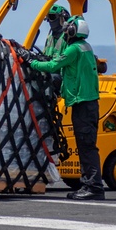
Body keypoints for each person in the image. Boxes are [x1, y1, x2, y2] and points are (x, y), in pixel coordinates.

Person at [24, 15, 105, 200]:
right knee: (87, 146)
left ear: (71, 31)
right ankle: (89, 185)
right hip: (86, 103)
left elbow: (53, 65)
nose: (65, 31)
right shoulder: (85, 47)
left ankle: (94, 187)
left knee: (86, 147)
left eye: (68, 28)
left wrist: (31, 63)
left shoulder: (73, 50)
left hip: (83, 104)